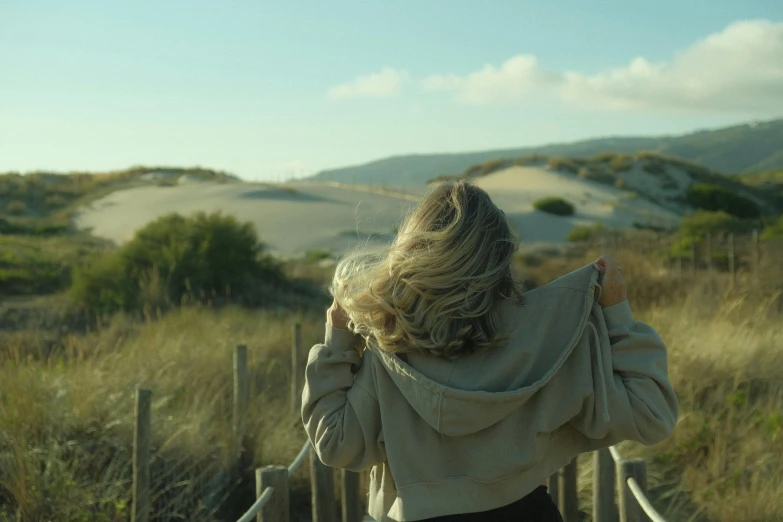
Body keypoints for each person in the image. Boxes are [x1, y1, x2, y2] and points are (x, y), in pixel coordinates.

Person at [301, 180, 679, 522]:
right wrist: (617, 315)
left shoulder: (390, 350)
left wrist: (337, 344)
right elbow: (651, 415)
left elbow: (336, 445)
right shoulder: (545, 341)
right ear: (499, 259)